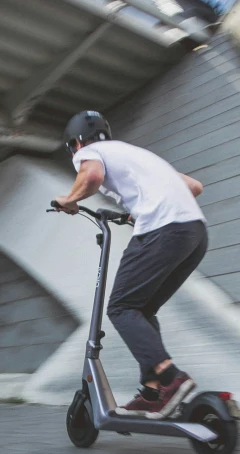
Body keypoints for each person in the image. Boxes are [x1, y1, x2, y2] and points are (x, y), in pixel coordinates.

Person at [54, 110, 207, 419]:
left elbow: (92, 176)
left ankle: (170, 378)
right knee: (142, 310)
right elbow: (194, 186)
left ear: (76, 143)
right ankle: (152, 392)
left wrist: (69, 199)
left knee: (121, 308)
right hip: (195, 233)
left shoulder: (90, 152)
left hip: (163, 230)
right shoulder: (135, 154)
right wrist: (135, 211)